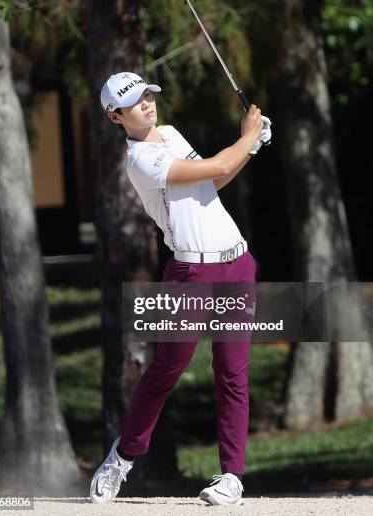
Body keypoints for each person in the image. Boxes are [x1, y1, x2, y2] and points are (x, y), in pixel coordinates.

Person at [90, 71, 271, 506]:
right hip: (190, 274)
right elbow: (219, 164)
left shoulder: (170, 133)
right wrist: (248, 137)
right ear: (116, 117)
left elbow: (212, 181)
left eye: (148, 96)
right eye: (135, 103)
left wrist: (253, 145)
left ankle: (231, 477)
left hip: (237, 264)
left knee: (232, 373)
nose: (148, 105)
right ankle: (124, 456)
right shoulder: (139, 160)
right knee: (168, 369)